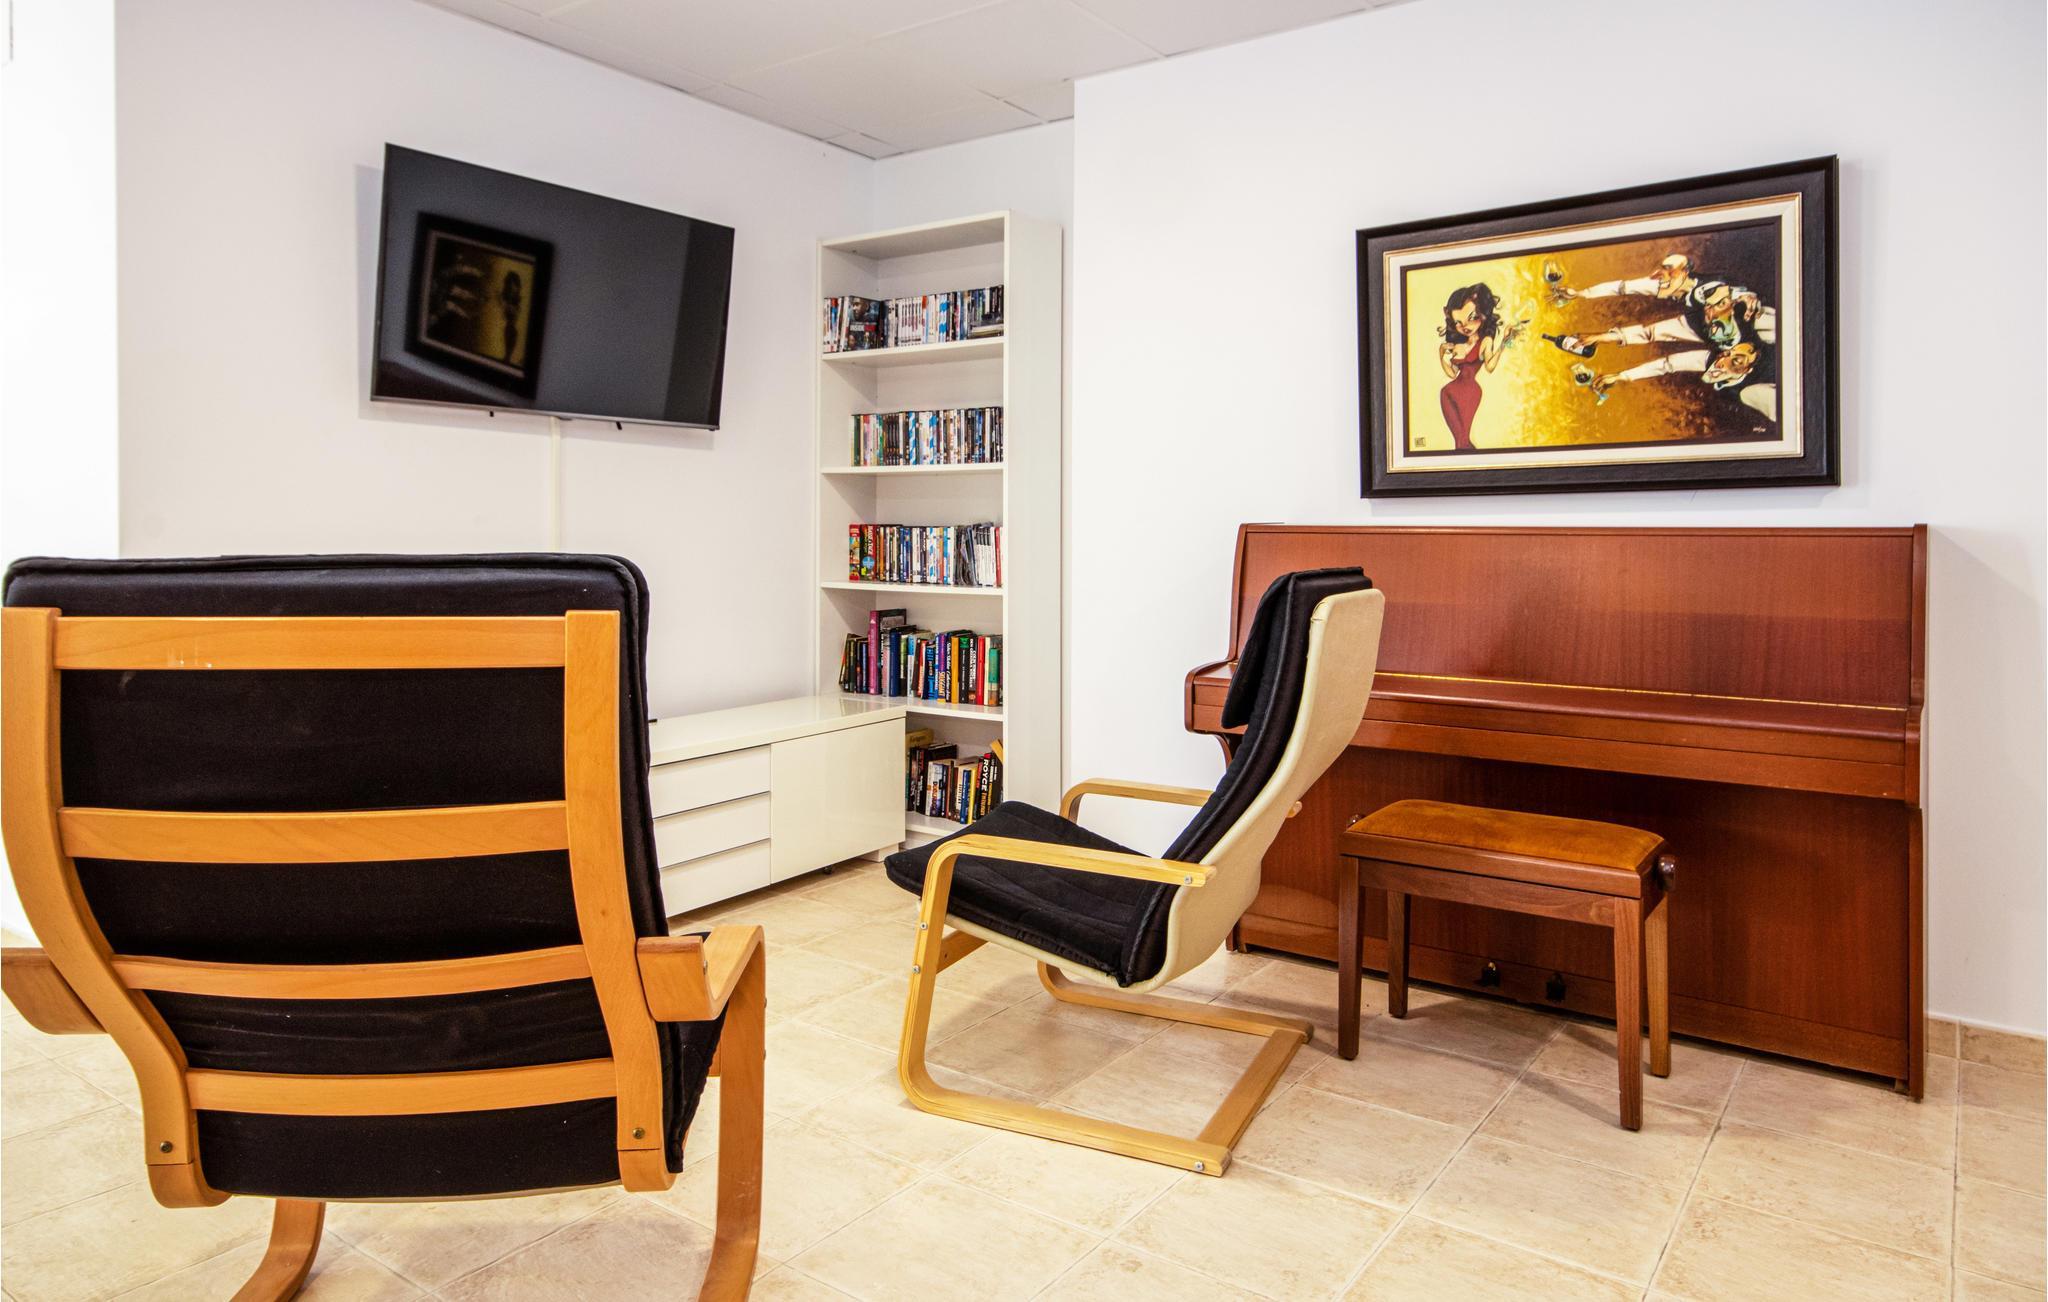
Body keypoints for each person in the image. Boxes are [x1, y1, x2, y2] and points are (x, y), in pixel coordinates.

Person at [1587, 339, 1777, 422]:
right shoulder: (1710, 360)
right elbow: (1668, 364)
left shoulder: (1751, 392)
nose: (1721, 362)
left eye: (1736, 362)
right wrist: (1622, 376)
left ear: (1747, 370)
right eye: (1726, 354)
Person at [1435, 283, 1523, 449]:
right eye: (1458, 322)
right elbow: (1452, 373)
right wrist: (1441, 356)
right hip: (1447, 393)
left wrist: (1504, 343)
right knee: (1460, 441)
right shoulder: (1459, 343)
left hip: (1470, 393)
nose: (1465, 326)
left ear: (1483, 314)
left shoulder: (1485, 341)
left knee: (1463, 440)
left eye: (1472, 318)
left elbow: (1489, 367)